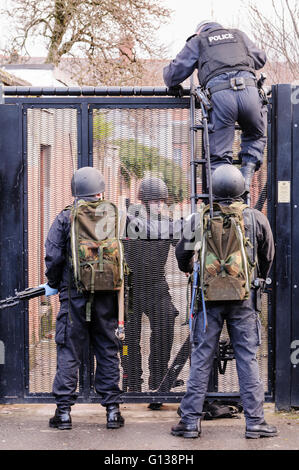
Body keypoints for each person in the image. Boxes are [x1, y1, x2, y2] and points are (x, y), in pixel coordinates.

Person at [171, 164, 277, 439]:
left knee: (202, 357)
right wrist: (259, 279)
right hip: (244, 299)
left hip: (208, 300)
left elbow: (182, 253)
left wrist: (189, 267)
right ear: (242, 189)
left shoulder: (200, 218)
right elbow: (268, 255)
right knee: (247, 358)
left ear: (213, 191)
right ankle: (255, 423)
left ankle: (191, 422)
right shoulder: (255, 218)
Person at [42, 166, 124, 430]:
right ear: (100, 190)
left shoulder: (65, 218)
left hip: (73, 294)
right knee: (108, 349)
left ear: (74, 191)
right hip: (107, 296)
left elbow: (53, 256)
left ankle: (63, 413)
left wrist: (54, 283)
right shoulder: (113, 215)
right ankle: (112, 411)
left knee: (69, 350)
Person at [163, 20, 268, 192]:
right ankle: (246, 176)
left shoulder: (199, 40)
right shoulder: (238, 35)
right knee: (255, 135)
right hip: (250, 92)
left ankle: (223, 206)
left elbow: (172, 75)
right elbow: (260, 58)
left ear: (199, 31)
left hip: (221, 97)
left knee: (219, 156)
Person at [123, 176, 180, 398]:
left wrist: (189, 260)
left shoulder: (167, 222)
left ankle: (158, 378)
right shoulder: (127, 221)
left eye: (162, 201)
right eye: (155, 200)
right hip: (130, 286)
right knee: (128, 337)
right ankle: (132, 380)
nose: (159, 204)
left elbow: (183, 247)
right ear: (144, 201)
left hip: (156, 284)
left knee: (167, 320)